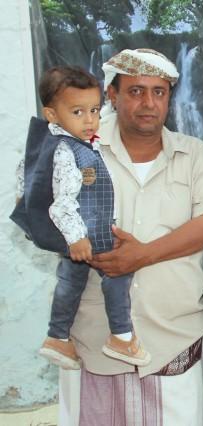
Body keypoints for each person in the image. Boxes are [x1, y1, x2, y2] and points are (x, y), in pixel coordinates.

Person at [55, 48, 203, 425]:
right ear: (112, 95)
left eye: (158, 92)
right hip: (93, 336)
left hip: (172, 335)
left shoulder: (194, 155)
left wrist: (141, 255)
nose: (148, 103)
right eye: (135, 91)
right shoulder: (76, 150)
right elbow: (41, 212)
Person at [11, 66, 149, 371]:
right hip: (89, 233)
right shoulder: (66, 151)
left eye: (94, 110)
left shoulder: (60, 142)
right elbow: (60, 204)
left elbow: (24, 173)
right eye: (78, 112)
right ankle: (121, 337)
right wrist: (77, 238)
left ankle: (57, 336)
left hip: (82, 232)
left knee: (70, 281)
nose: (89, 120)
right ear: (52, 115)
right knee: (117, 273)